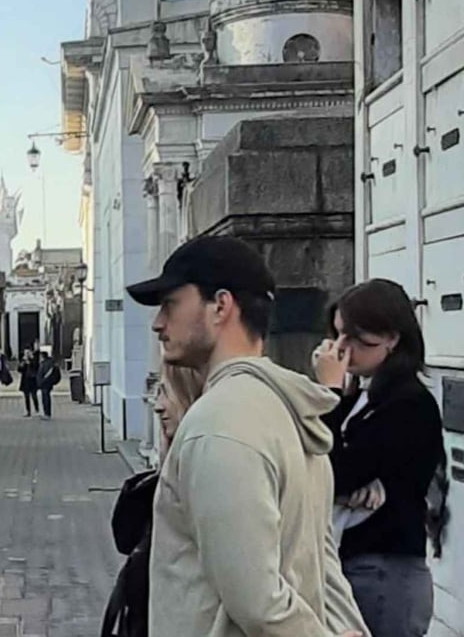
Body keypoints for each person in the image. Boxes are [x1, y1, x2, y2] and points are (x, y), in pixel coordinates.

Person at [126, 235, 367, 637]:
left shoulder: (220, 424)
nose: (158, 323)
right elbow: (323, 568)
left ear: (221, 306)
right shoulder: (286, 408)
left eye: (170, 304)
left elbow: (258, 602)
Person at [314, 280, 443, 637]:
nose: (343, 348)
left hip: (385, 570)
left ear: (392, 339)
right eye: (338, 334)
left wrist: (328, 392)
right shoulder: (364, 395)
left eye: (358, 339)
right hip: (358, 563)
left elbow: (333, 471)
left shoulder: (409, 404)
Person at [101, 364, 206, 637]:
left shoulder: (203, 483)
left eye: (166, 392)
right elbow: (125, 538)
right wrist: (164, 463)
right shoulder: (164, 484)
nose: (157, 406)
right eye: (157, 392)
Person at [35, 348, 62, 418]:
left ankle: (47, 413)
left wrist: (42, 381)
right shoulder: (48, 363)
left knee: (45, 398)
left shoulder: (46, 364)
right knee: (45, 398)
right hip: (46, 383)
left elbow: (45, 374)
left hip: (45, 383)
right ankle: (46, 413)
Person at [19, 349, 40, 416]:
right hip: (25, 381)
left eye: (28, 353)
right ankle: (28, 411)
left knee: (34, 395)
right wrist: (22, 363)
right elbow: (19, 370)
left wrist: (30, 362)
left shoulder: (34, 360)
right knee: (26, 396)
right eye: (26, 353)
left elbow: (36, 368)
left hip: (33, 380)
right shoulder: (23, 361)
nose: (27, 354)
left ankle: (37, 409)